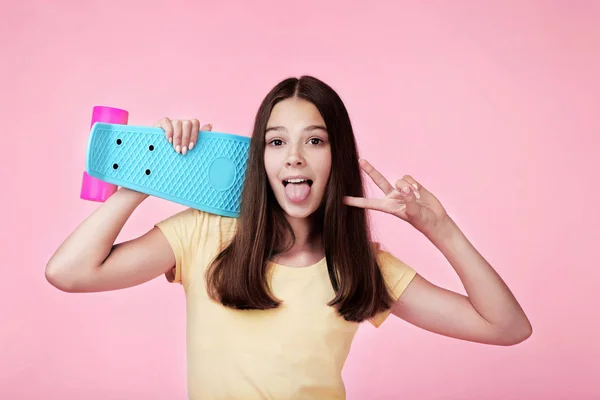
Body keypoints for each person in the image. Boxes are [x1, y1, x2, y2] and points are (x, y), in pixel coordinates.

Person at [46, 75, 532, 399]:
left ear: (335, 157)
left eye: (314, 140)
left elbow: (507, 327)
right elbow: (68, 273)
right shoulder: (206, 231)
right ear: (261, 159)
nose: (294, 157)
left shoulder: (361, 268)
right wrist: (147, 175)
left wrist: (439, 229)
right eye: (277, 141)